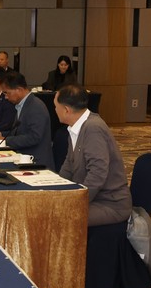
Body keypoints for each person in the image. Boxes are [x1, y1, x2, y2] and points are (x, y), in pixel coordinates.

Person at [56, 84, 132, 226]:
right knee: (50, 208)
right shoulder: (75, 127)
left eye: (56, 107)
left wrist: (76, 202)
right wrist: (56, 189)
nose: (55, 110)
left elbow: (98, 173)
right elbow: (69, 165)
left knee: (59, 217)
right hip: (93, 198)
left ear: (66, 110)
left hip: (109, 203)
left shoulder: (93, 128)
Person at [0, 72, 55, 170]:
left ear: (19, 90)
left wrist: (5, 140)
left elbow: (34, 137)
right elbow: (19, 132)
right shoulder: (21, 105)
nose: (6, 97)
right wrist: (1, 134)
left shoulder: (36, 106)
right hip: (24, 160)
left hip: (36, 164)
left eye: (6, 93)